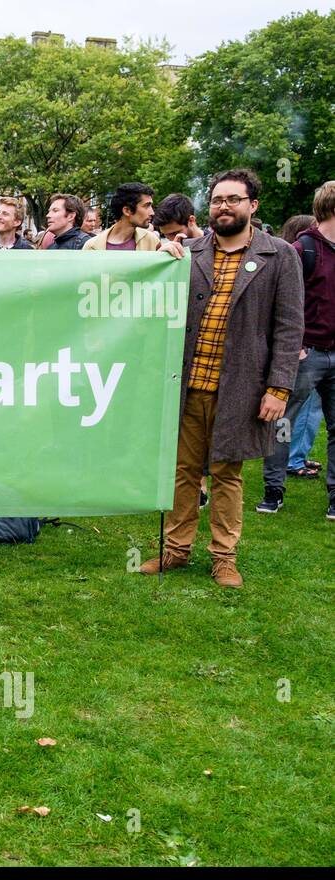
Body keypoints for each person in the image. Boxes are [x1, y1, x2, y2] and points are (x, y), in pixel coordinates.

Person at [140, 168, 303, 587]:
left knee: (228, 474)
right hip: (189, 383)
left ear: (253, 205)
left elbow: (289, 327)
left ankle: (223, 556)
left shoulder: (280, 255)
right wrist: (162, 254)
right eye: (217, 200)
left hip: (241, 387)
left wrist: (279, 387)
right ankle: (176, 551)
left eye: (233, 199)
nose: (224, 206)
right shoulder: (188, 251)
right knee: (182, 471)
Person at [257, 182, 335, 519]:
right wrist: (294, 348)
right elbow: (279, 303)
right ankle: (273, 492)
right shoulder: (302, 249)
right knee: (281, 423)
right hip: (307, 355)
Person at [83, 183, 162, 251]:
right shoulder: (91, 246)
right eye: (146, 206)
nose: (152, 212)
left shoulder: (152, 242)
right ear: (127, 210)